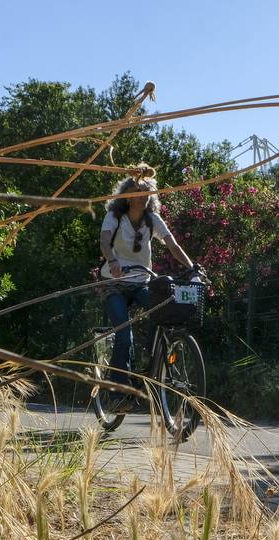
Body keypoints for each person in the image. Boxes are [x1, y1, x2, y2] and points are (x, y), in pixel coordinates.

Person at [98, 164, 196, 406]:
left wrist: (192, 267)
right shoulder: (114, 217)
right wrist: (112, 260)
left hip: (142, 281)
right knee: (124, 334)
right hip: (115, 283)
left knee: (163, 310)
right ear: (127, 196)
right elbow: (104, 241)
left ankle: (149, 357)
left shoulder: (153, 219)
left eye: (145, 190)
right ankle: (118, 393)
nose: (141, 193)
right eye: (135, 190)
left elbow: (172, 244)